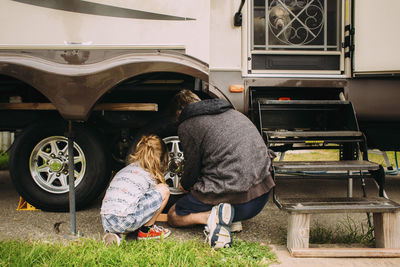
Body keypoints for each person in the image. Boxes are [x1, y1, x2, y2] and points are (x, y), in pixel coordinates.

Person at [167, 89, 275, 249]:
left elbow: (192, 167)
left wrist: (185, 184)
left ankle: (212, 217)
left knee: (173, 215)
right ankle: (231, 219)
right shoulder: (233, 113)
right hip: (261, 198)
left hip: (238, 200)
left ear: (180, 111)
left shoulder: (187, 124)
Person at [101, 134, 171, 245]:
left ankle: (117, 235)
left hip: (108, 220)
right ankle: (147, 231)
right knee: (164, 190)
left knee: (129, 207)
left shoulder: (126, 169)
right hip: (125, 219)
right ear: (162, 158)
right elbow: (152, 207)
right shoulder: (149, 174)